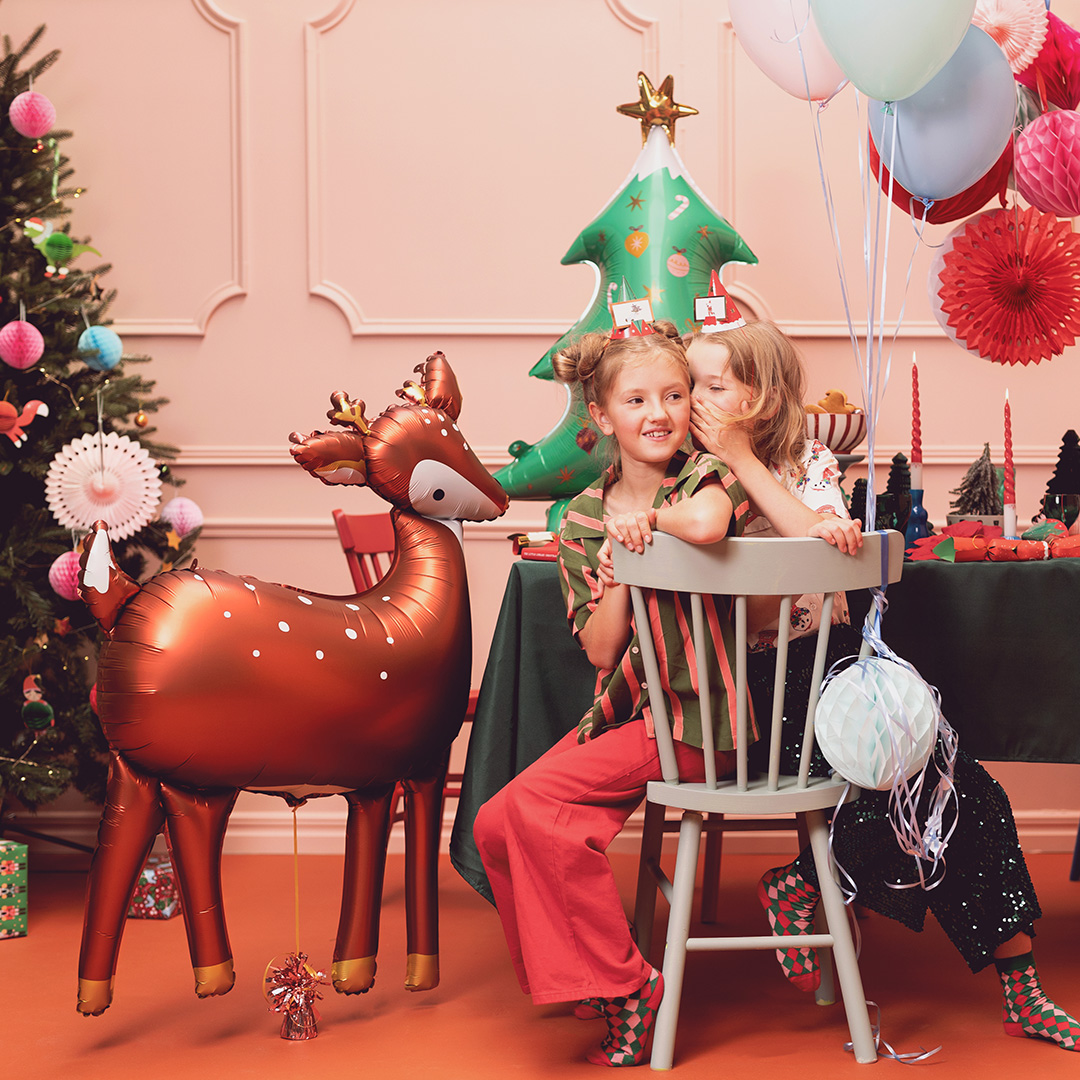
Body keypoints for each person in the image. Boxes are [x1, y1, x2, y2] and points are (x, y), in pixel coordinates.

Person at [686, 317, 1078, 1053]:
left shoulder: (806, 461)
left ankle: (1016, 989)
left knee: (962, 788)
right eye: (692, 385)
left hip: (834, 666)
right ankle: (808, 881)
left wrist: (744, 461)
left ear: (763, 401)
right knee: (881, 793)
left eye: (715, 386)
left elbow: (820, 545)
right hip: (751, 689)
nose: (697, 401)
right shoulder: (683, 468)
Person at [473, 319, 751, 1067]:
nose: (658, 412)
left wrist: (649, 526)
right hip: (630, 715)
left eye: (674, 394)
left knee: (541, 813)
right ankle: (586, 979)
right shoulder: (582, 521)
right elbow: (598, 648)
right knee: (498, 819)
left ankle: (629, 988)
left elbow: (708, 522)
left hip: (698, 722)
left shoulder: (699, 480)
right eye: (636, 400)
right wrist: (624, 571)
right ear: (602, 417)